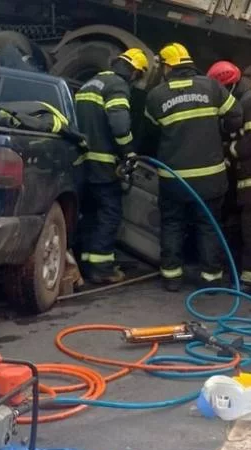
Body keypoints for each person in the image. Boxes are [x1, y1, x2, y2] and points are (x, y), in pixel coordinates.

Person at [144, 43, 243, 292]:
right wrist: (219, 133)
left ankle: (172, 277)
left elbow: (148, 135)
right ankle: (211, 277)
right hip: (211, 177)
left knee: (173, 223)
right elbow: (236, 115)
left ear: (168, 67)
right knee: (208, 225)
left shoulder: (157, 96)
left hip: (174, 178)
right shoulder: (211, 87)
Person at [74, 48, 149, 283]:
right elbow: (119, 125)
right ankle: (102, 268)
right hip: (103, 165)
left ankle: (85, 261)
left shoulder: (90, 83)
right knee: (110, 213)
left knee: (89, 214)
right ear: (135, 71)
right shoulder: (117, 86)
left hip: (81, 163)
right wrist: (129, 152)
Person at [207, 61, 251, 296]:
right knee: (244, 229)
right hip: (248, 182)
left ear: (229, 85)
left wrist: (227, 151)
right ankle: (244, 275)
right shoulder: (243, 100)